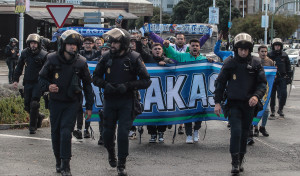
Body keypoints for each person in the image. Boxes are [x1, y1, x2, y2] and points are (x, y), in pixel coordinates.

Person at [92, 28, 151, 176]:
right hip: (110, 100)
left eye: (116, 42)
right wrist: (106, 85)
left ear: (123, 43)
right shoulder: (105, 57)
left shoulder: (134, 58)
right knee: (106, 134)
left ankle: (122, 164)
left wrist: (128, 86)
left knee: (123, 134)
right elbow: (95, 77)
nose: (112, 44)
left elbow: (146, 81)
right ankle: (111, 154)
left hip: (127, 100)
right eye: (111, 41)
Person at [39, 30, 94, 176]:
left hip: (72, 103)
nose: (72, 47)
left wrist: (89, 106)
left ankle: (66, 164)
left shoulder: (81, 62)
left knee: (65, 132)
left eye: (75, 45)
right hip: (56, 102)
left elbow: (88, 85)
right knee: (56, 133)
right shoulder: (52, 59)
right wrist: (48, 86)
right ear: (63, 45)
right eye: (70, 44)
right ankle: (58, 160)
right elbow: (41, 78)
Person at [214, 33, 267, 174]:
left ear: (249, 50)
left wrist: (256, 96)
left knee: (245, 134)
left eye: (246, 49)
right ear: (236, 49)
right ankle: (234, 163)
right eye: (240, 49)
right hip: (233, 104)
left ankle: (241, 158)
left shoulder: (256, 63)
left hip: (249, 105)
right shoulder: (229, 63)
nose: (243, 52)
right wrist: (217, 103)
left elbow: (262, 84)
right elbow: (220, 83)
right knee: (236, 131)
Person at [163, 38, 209, 144]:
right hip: (186, 90)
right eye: (193, 46)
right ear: (189, 48)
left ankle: (196, 130)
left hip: (199, 91)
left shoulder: (204, 59)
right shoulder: (183, 56)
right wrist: (167, 46)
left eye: (197, 46)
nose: (195, 47)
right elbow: (173, 53)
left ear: (199, 47)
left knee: (199, 112)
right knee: (188, 112)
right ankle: (188, 134)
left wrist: (211, 62)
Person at [13, 34, 48, 134]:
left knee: (34, 103)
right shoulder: (25, 53)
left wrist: (47, 84)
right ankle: (39, 116)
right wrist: (16, 80)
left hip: (38, 82)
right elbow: (19, 66)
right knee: (27, 105)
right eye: (31, 43)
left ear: (38, 44)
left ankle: (32, 127)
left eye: (35, 43)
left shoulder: (43, 55)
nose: (33, 45)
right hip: (28, 81)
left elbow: (48, 70)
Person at [147, 43, 174, 143]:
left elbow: (175, 71)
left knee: (162, 113)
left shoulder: (167, 60)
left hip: (164, 92)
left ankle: (161, 132)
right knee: (150, 113)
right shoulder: (147, 60)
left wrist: (166, 65)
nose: (157, 50)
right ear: (152, 51)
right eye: (155, 49)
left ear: (162, 51)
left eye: (159, 49)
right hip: (150, 91)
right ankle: (152, 133)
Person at [268, 38, 292, 119]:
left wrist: (289, 77)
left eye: (278, 45)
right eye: (276, 45)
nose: (277, 47)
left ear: (281, 46)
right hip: (272, 77)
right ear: (273, 46)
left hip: (282, 77)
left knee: (283, 94)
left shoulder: (284, 55)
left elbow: (288, 66)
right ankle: (272, 110)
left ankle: (280, 108)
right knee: (272, 95)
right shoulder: (269, 55)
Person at [253, 45, 274, 137]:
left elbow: (273, 74)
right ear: (258, 52)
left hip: (266, 89)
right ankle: (256, 128)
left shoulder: (270, 62)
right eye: (262, 51)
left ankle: (263, 127)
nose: (264, 53)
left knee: (266, 110)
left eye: (265, 51)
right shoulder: (255, 61)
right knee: (256, 109)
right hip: (256, 89)